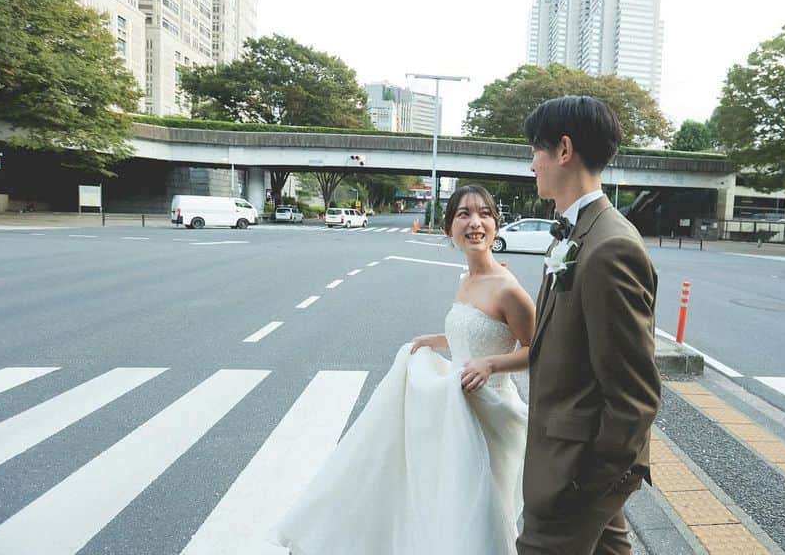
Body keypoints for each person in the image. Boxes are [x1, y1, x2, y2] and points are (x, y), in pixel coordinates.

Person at [268, 184, 535, 555]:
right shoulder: (467, 280)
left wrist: (492, 364)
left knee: (478, 513)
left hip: (488, 417)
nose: (475, 223)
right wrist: (436, 340)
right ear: (448, 229)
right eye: (464, 214)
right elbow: (474, 333)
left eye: (484, 214)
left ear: (496, 224)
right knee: (446, 506)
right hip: (452, 410)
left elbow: (536, 349)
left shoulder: (508, 289)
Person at [517, 96, 662, 555]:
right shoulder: (579, 232)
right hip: (573, 458)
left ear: (563, 150)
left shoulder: (608, 247)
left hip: (575, 472)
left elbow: (635, 395)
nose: (531, 162)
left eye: (535, 149)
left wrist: (587, 483)